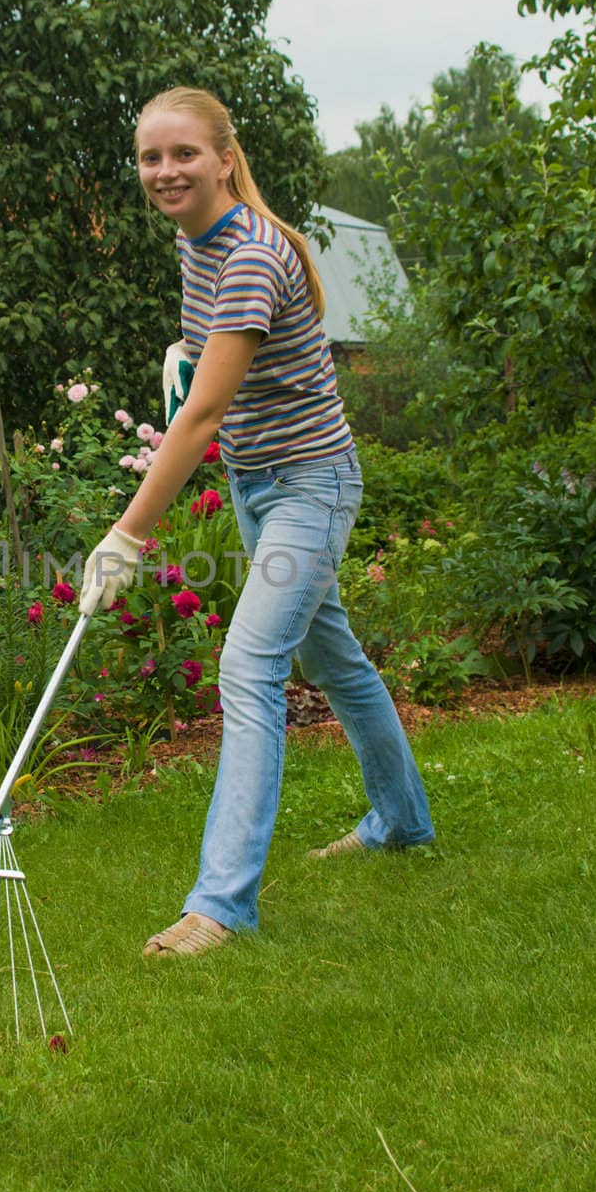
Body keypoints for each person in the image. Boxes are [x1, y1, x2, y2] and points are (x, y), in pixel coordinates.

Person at [79, 86, 435, 959]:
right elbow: (212, 364)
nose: (165, 172)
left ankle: (222, 904)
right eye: (150, 159)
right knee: (332, 656)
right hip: (256, 485)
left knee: (248, 667)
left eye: (182, 155)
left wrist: (126, 536)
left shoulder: (248, 256)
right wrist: (185, 353)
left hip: (310, 486)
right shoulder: (196, 243)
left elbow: (196, 421)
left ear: (225, 158)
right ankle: (401, 822)